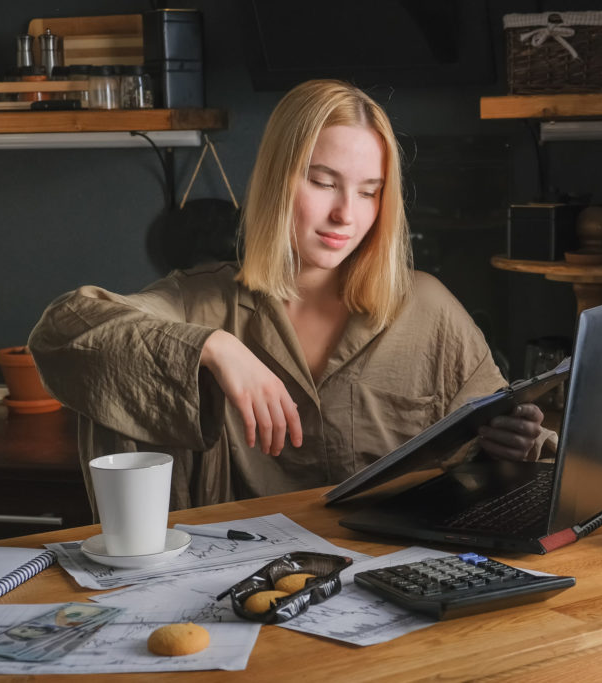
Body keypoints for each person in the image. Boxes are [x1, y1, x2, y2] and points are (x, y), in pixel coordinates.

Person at [29, 79, 548, 515]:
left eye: (369, 191)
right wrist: (215, 348)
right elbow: (63, 332)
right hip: (236, 590)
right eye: (324, 182)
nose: (347, 214)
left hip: (392, 580)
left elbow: (499, 444)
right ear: (278, 180)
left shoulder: (428, 306)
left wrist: (511, 445)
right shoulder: (200, 302)